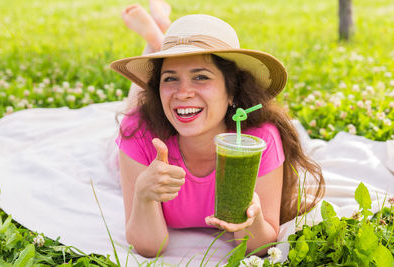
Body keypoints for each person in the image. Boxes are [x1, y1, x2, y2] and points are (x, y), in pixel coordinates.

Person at [111, 1, 325, 258]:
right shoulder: (139, 132)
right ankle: (156, 40)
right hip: (140, 129)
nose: (183, 92)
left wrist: (253, 218)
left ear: (232, 90)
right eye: (169, 78)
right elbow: (149, 247)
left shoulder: (259, 140)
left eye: (201, 76)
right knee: (134, 104)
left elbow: (259, 246)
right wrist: (143, 195)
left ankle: (160, 37)